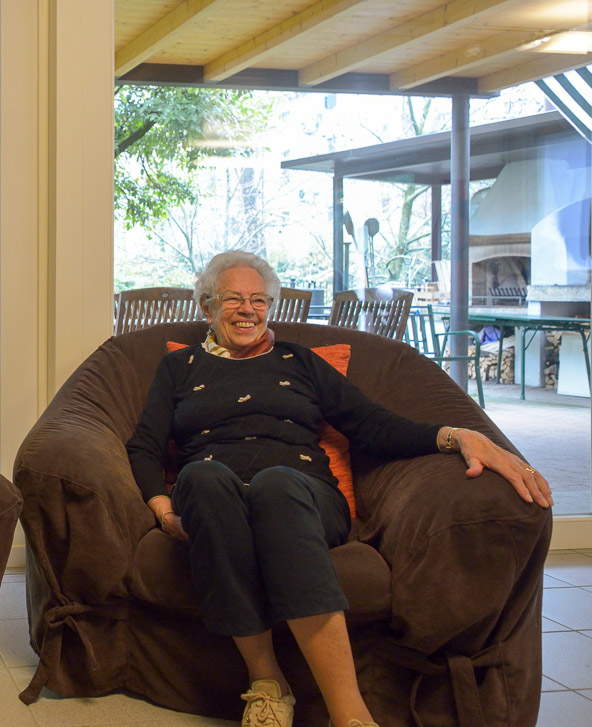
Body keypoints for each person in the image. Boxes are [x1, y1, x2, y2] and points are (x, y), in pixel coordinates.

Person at [124, 250, 551, 727]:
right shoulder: (179, 367)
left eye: (259, 300)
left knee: (275, 484)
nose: (248, 310)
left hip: (301, 495)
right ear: (206, 306)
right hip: (213, 500)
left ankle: (350, 714)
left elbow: (374, 425)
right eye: (232, 299)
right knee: (202, 477)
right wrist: (164, 510)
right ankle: (267, 682)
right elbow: (144, 446)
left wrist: (457, 435)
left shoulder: (298, 361)